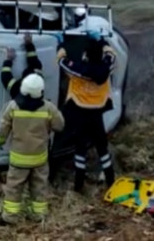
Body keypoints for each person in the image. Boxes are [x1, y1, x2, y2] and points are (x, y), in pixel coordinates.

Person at [0, 73, 65, 224]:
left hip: (18, 158)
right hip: (39, 158)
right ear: (40, 91)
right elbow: (60, 126)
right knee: (39, 186)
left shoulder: (12, 106)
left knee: (14, 188)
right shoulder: (48, 108)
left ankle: (10, 218)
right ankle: (39, 216)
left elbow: (2, 129)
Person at [57, 32, 117, 192]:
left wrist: (61, 45)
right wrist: (102, 40)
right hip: (97, 114)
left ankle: (79, 185)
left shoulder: (78, 71)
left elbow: (62, 62)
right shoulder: (107, 67)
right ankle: (111, 181)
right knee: (102, 148)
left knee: (80, 149)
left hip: (80, 113)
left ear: (86, 55)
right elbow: (111, 54)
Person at [1, 33, 43, 98]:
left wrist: (8, 60)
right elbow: (36, 65)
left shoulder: (17, 93)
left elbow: (6, 78)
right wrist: (29, 46)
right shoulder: (46, 105)